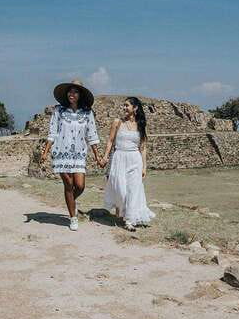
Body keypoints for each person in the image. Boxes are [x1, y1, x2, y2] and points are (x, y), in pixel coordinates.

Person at [40, 79, 104, 231]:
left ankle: (70, 203)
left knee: (80, 186)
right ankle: (73, 217)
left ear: (80, 95)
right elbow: (52, 133)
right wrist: (45, 152)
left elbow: (92, 135)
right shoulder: (59, 111)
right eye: (70, 91)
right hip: (61, 152)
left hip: (79, 155)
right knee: (68, 185)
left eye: (75, 91)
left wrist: (97, 156)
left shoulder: (87, 113)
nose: (72, 94)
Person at [102, 96, 155, 231]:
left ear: (135, 108)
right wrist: (106, 156)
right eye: (124, 105)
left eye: (127, 105)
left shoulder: (141, 125)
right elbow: (110, 141)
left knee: (133, 190)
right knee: (121, 189)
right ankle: (123, 211)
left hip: (134, 160)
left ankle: (129, 220)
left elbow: (143, 147)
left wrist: (144, 166)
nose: (124, 108)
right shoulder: (117, 122)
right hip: (119, 158)